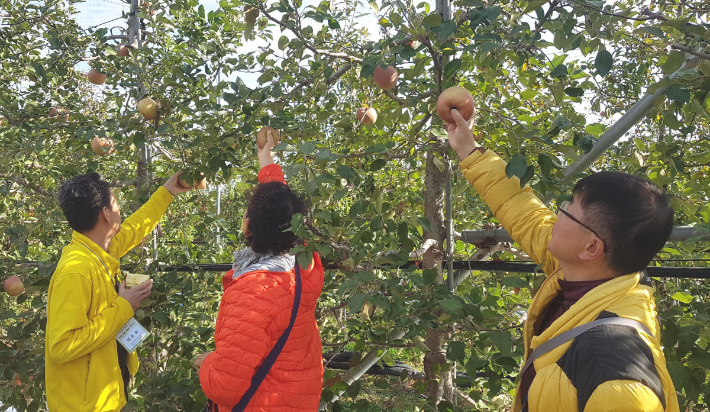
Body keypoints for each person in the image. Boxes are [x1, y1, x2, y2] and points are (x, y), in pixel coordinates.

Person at [446, 108, 679, 412]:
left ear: (591, 247)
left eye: (569, 209)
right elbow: (524, 211)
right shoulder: (590, 275)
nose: (558, 212)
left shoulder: (614, 375)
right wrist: (469, 149)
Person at [194, 131, 324, 411]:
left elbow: (225, 387)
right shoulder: (305, 260)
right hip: (297, 400)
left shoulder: (254, 292)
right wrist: (265, 157)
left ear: (248, 227)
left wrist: (205, 364)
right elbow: (281, 205)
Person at [46, 171, 194, 412]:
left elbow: (137, 226)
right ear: (105, 213)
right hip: (83, 406)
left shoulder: (101, 251)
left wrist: (168, 192)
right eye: (115, 203)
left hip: (106, 394)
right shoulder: (76, 271)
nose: (119, 210)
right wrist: (124, 306)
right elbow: (62, 346)